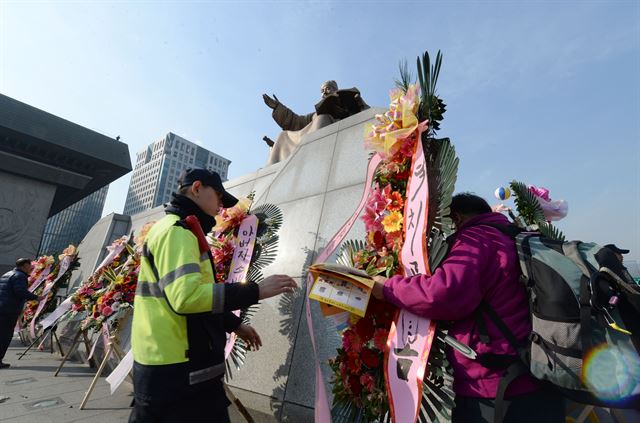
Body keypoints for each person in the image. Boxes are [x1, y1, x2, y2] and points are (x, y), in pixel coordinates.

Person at [372, 193, 564, 423]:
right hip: (541, 375)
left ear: (456, 218)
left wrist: (387, 288)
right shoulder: (516, 235)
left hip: (497, 389)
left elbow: (444, 293)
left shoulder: (477, 238)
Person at [129, 168, 298, 423]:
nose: (221, 205)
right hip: (177, 374)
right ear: (196, 188)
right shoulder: (177, 231)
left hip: (175, 369)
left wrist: (234, 324)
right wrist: (256, 290)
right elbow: (186, 298)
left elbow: (195, 293)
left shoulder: (181, 229)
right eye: (218, 196)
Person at [262, 80, 369, 165]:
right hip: (308, 141)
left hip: (337, 141)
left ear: (335, 90)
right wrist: (277, 107)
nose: (324, 92)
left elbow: (367, 116)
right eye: (322, 90)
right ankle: (273, 169)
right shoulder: (315, 115)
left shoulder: (346, 106)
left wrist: (360, 104)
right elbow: (296, 122)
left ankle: (313, 155)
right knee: (283, 135)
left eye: (328, 89)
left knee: (323, 119)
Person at [0, 258, 40, 369]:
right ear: (24, 265)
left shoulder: (7, 274)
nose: (31, 268)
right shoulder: (19, 276)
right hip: (9, 310)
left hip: (3, 308)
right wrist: (36, 297)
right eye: (30, 265)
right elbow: (20, 292)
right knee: (5, 335)